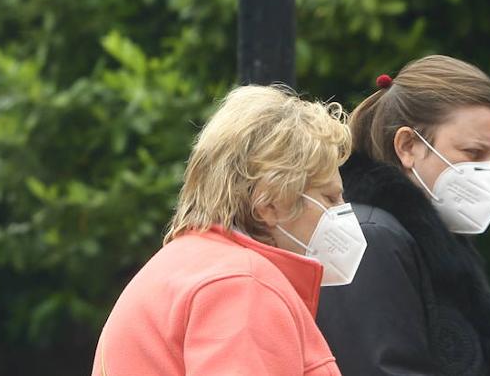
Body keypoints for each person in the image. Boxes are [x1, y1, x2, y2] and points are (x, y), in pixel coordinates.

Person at [92, 85, 367, 376]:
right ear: (269, 203)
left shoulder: (187, 264)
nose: (342, 209)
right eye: (329, 197)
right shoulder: (244, 284)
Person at [317, 55, 490, 376]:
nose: (486, 171)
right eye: (472, 153)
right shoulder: (371, 238)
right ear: (408, 145)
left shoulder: (419, 239)